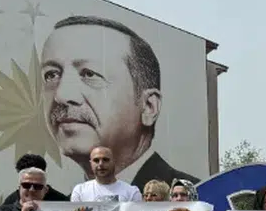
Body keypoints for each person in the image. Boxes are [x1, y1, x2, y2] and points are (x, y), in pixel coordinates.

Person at [42, 15, 195, 188]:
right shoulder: (69, 204)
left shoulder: (185, 196)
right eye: (51, 75)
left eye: (89, 74)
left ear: (149, 106)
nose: (61, 95)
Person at [70, 146, 144, 203]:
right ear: (91, 164)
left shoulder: (131, 192)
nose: (101, 164)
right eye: (96, 160)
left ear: (114, 162)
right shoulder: (79, 191)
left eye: (105, 160)